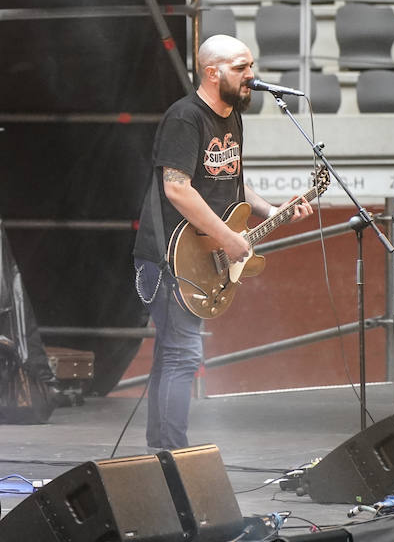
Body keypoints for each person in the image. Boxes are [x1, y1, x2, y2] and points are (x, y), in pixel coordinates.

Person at [132, 35, 312, 450]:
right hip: (167, 259)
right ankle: (175, 455)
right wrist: (228, 237)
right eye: (240, 67)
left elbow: (232, 181)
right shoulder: (184, 118)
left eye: (251, 65)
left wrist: (271, 211)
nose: (252, 75)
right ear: (212, 73)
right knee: (183, 353)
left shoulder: (231, 117)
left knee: (172, 352)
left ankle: (162, 450)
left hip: (199, 251)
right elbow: (177, 188)